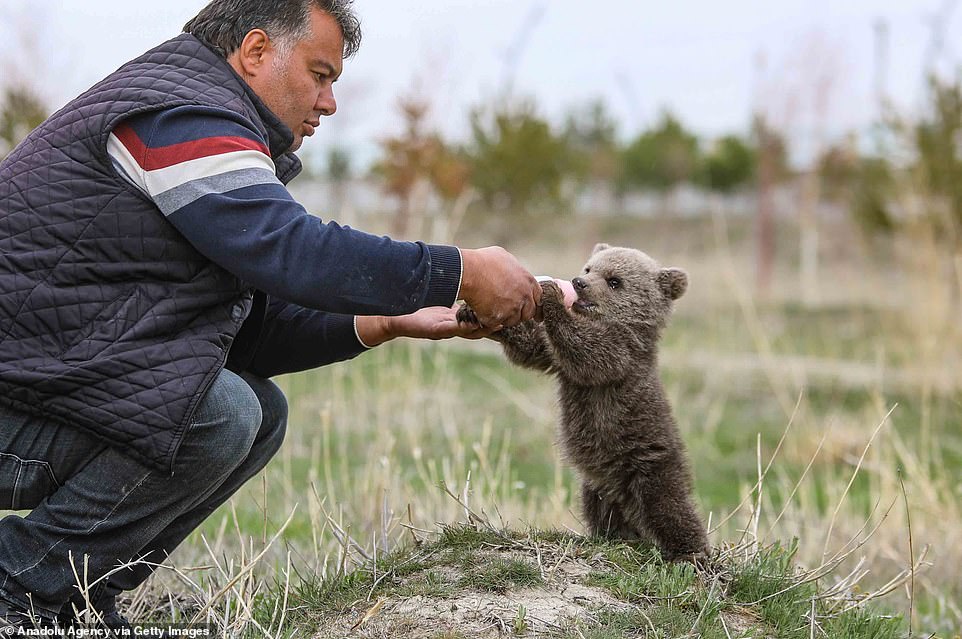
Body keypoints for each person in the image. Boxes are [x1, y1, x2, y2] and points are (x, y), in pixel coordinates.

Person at [0, 0, 541, 630]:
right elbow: (291, 250)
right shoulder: (182, 117)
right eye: (320, 74)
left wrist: (384, 321)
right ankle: (17, 587)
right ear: (255, 52)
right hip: (16, 410)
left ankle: (74, 601)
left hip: (34, 399)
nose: (330, 102)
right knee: (221, 413)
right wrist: (459, 269)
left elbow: (235, 334)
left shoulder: (196, 119)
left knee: (256, 413)